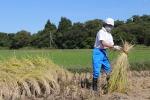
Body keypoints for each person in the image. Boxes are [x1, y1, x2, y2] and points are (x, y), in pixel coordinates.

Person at [92, 18, 121, 91]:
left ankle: (110, 85)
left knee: (108, 70)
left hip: (104, 52)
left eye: (111, 26)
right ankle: (94, 89)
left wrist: (118, 49)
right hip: (98, 52)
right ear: (105, 24)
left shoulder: (109, 34)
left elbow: (110, 45)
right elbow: (103, 43)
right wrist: (113, 47)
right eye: (109, 25)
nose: (110, 27)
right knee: (96, 70)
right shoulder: (101, 32)